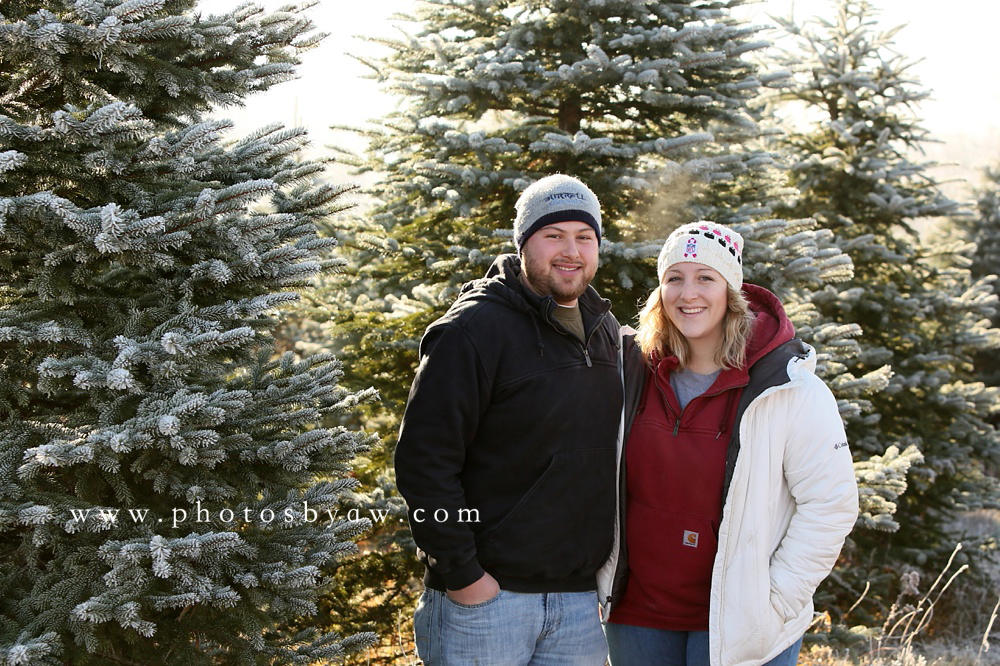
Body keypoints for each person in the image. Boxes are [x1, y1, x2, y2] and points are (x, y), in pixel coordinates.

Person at [597, 222, 859, 666]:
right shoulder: (632, 372)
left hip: (739, 624)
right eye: (674, 278)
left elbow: (830, 503)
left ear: (731, 291)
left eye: (705, 278)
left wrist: (775, 600)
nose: (688, 293)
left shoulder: (787, 388)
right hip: (637, 615)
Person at [395, 174, 623, 665]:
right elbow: (423, 463)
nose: (571, 251)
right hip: (487, 603)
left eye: (585, 237)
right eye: (553, 235)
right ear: (524, 243)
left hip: (580, 605)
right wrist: (464, 576)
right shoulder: (472, 332)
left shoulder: (605, 330)